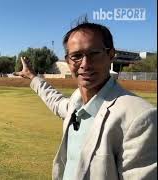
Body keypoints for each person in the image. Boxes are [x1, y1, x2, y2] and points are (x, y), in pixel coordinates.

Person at [13, 21, 157, 180]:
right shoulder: (76, 102)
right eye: (76, 56)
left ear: (110, 55)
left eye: (94, 54)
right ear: (68, 61)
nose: (85, 64)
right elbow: (56, 101)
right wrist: (33, 78)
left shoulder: (140, 117)